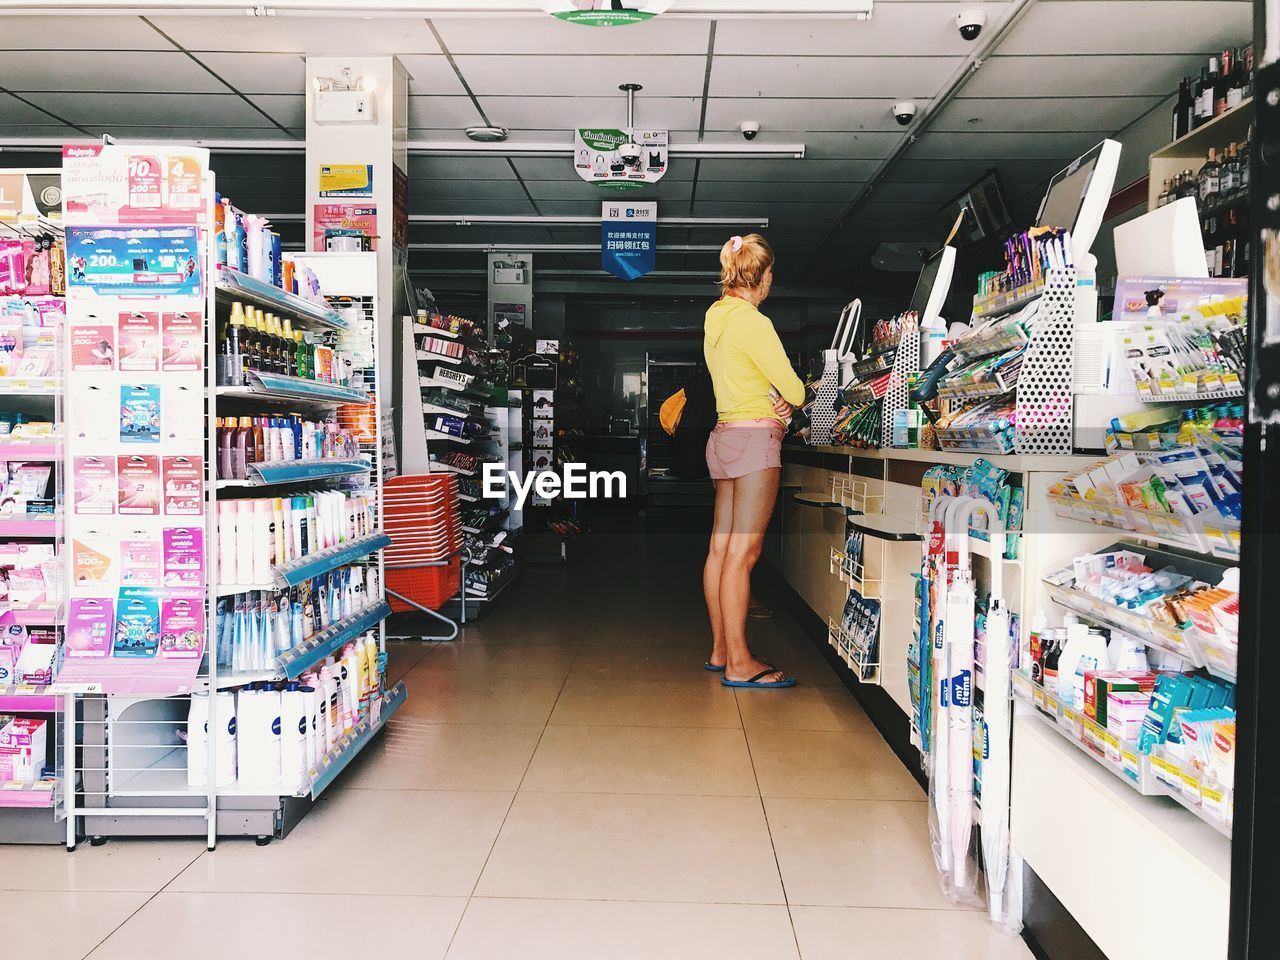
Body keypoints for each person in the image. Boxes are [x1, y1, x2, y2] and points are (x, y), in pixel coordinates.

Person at [702, 234, 805, 689]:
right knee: (744, 555)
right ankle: (741, 663)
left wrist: (773, 396)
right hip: (754, 441)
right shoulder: (754, 322)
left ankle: (721, 649)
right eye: (770, 275)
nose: (771, 283)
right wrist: (785, 400)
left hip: (723, 437)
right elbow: (798, 392)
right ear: (760, 278)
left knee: (721, 551)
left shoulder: (715, 316)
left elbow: (741, 375)